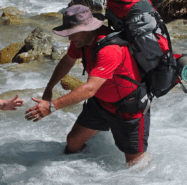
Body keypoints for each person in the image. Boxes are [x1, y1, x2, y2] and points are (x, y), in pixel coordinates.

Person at [25, 5, 150, 165]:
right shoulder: (81, 41)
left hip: (128, 108)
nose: (70, 38)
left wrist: (52, 106)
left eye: (71, 33)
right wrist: (49, 88)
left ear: (88, 29)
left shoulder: (110, 49)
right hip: (100, 103)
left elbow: (89, 89)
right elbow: (68, 61)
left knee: (136, 165)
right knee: (72, 143)